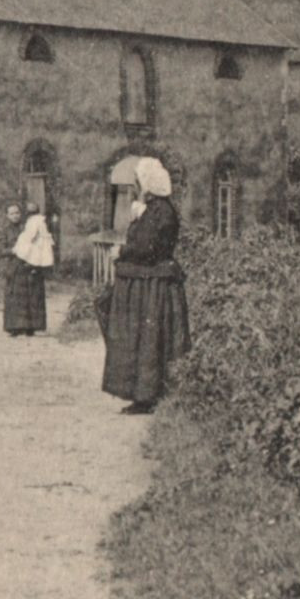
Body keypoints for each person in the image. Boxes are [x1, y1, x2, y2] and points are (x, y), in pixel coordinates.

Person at [99, 157, 191, 414]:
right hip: (148, 283)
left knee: (149, 340)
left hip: (153, 286)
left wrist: (122, 251)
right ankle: (143, 394)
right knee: (143, 338)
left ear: (149, 183)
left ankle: (149, 395)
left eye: (139, 181)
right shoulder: (153, 210)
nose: (137, 186)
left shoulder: (161, 211)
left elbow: (148, 248)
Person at [4, 202, 52, 336]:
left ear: (22, 214)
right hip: (14, 267)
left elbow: (39, 242)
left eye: (17, 213)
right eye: (12, 213)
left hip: (30, 265)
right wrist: (13, 251)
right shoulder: (5, 231)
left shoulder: (29, 227)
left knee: (32, 296)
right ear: (7, 216)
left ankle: (31, 327)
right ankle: (14, 327)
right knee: (15, 298)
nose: (15, 216)